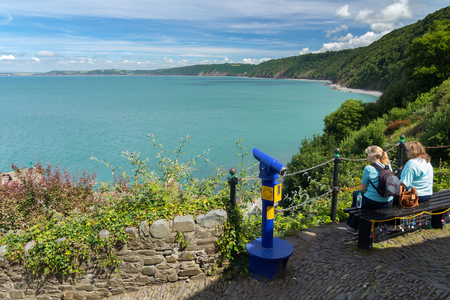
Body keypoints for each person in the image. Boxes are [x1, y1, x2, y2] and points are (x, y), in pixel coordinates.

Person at [346, 145, 394, 234]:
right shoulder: (388, 166)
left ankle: (353, 226)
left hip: (374, 202)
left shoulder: (368, 168)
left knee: (357, 194)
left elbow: (363, 189)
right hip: (389, 200)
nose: (366, 156)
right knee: (360, 197)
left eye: (367, 154)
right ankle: (360, 224)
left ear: (372, 156)